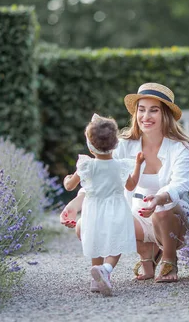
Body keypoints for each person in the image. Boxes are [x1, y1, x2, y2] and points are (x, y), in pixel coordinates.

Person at [60, 83, 189, 283]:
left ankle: (169, 258)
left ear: (165, 115)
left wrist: (159, 197)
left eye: (154, 110)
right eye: (141, 110)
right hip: (138, 217)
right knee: (85, 225)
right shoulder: (124, 145)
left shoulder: (179, 148)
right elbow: (101, 178)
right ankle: (147, 254)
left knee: (163, 207)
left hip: (172, 219)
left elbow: (181, 183)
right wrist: (74, 204)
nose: (146, 116)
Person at [63, 113, 144, 296]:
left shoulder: (86, 165)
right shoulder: (120, 166)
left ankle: (96, 277)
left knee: (96, 241)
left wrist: (67, 178)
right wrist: (138, 164)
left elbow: (69, 186)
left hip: (93, 210)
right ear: (116, 145)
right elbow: (131, 185)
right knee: (116, 243)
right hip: (116, 209)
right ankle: (106, 270)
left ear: (90, 146)